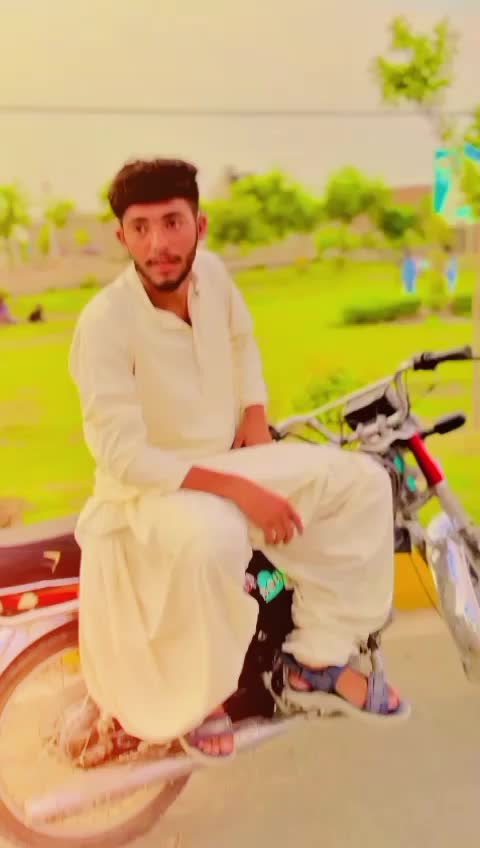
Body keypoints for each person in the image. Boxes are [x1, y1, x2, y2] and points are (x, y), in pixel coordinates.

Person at [68, 158, 407, 763]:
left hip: (227, 463)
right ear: (121, 237)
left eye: (172, 222)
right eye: (141, 228)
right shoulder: (104, 324)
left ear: (200, 225)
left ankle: (315, 659)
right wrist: (240, 488)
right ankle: (200, 698)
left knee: (363, 483)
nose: (158, 244)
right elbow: (122, 455)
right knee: (215, 537)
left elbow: (242, 343)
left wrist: (255, 417)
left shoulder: (215, 277)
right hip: (148, 494)